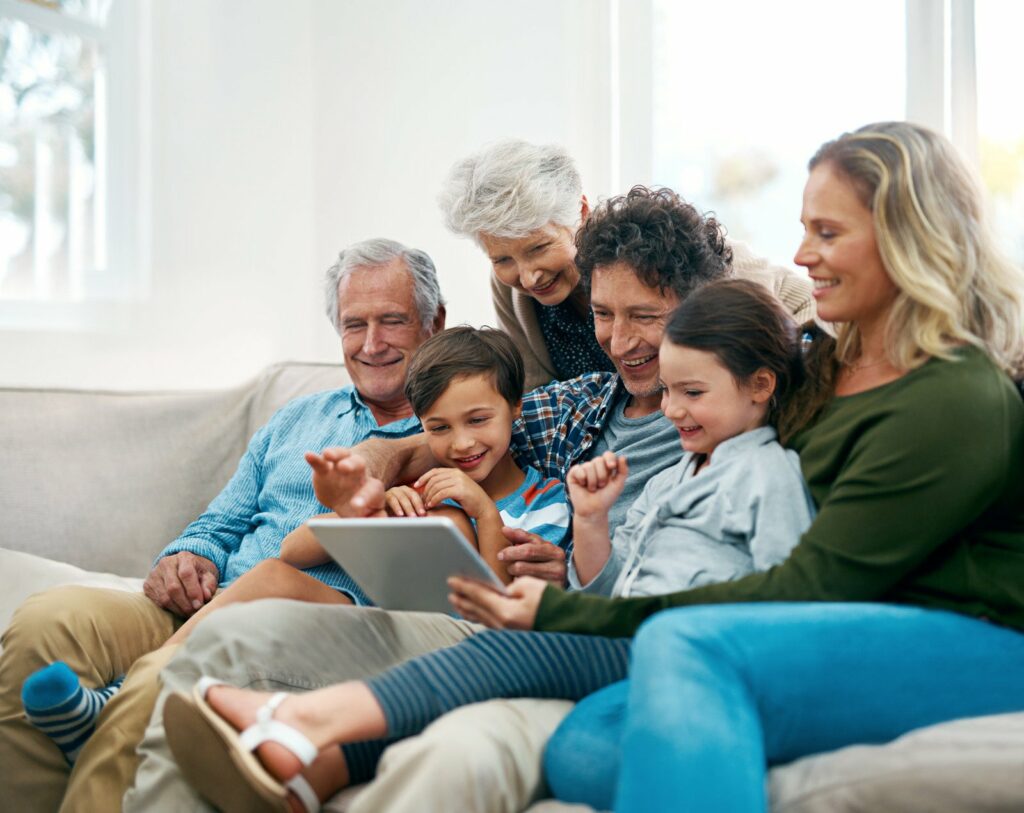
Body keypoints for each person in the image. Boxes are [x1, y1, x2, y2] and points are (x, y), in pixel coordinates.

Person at [122, 186, 779, 813]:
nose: (619, 340)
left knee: (255, 637)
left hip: (580, 636)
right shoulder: (577, 406)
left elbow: (785, 338)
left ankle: (308, 732)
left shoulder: (739, 431)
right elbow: (458, 430)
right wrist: (373, 465)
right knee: (240, 631)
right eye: (604, 315)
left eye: (646, 317)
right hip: (534, 618)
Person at [445, 121, 1024, 812]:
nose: (803, 254)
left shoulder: (958, 391)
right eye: (805, 229)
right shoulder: (815, 368)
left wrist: (573, 608)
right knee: (582, 745)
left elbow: (812, 582)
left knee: (683, 644)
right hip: (828, 632)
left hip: (951, 630)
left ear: (911, 236)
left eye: (828, 233)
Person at [0, 237, 446, 812]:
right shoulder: (298, 417)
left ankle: (106, 726)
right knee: (46, 623)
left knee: (160, 678)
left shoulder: (456, 434)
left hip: (309, 627)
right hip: (209, 603)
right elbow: (222, 520)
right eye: (353, 325)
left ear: (434, 322)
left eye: (392, 321)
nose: (371, 344)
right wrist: (188, 557)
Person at [440, 139, 816, 390]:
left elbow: (788, 316)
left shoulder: (657, 250)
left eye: (538, 248)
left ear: (581, 212)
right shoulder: (511, 287)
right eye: (502, 258)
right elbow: (541, 393)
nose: (527, 275)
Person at [281, 325, 570, 582]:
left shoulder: (545, 502)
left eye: (477, 420)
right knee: (272, 575)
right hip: (396, 625)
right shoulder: (422, 491)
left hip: (475, 635)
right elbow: (291, 551)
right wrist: (378, 512)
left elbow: (502, 607)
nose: (462, 443)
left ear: (516, 405)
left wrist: (484, 512)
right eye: (440, 427)